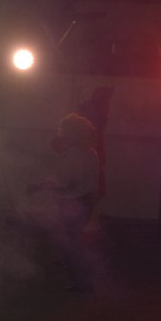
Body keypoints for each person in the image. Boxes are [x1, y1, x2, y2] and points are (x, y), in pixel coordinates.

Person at [31, 113, 100, 292]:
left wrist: (38, 187)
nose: (61, 134)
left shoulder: (74, 154)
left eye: (63, 131)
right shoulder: (90, 151)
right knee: (73, 243)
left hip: (73, 204)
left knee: (69, 246)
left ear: (71, 133)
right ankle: (84, 281)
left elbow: (63, 183)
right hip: (86, 202)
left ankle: (81, 284)